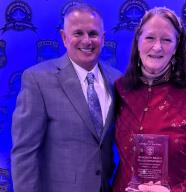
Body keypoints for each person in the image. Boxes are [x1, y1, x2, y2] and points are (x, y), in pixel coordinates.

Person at [113, 7, 186, 192]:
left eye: (166, 40)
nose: (157, 47)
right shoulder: (120, 89)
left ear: (176, 47)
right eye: (150, 38)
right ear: (138, 40)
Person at [11, 4, 121, 192]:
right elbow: (24, 153)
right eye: (78, 33)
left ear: (103, 39)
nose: (87, 41)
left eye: (93, 34)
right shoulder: (38, 80)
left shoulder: (117, 80)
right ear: (64, 37)